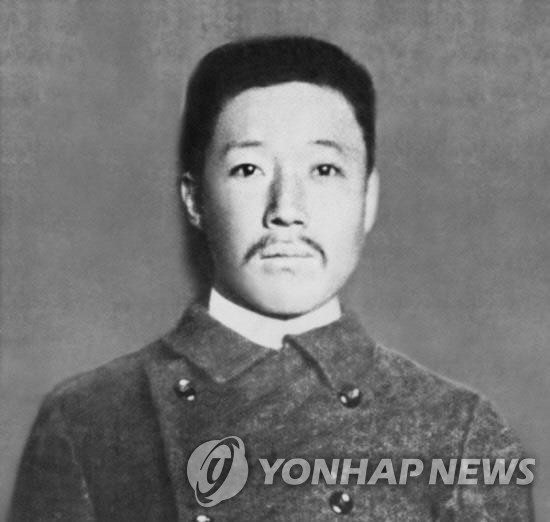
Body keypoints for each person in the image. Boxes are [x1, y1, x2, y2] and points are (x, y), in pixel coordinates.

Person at [10, 36, 534, 521]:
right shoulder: (88, 418)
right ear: (195, 199)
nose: (286, 210)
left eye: (323, 170)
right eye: (249, 170)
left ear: (368, 198)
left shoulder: (459, 431)